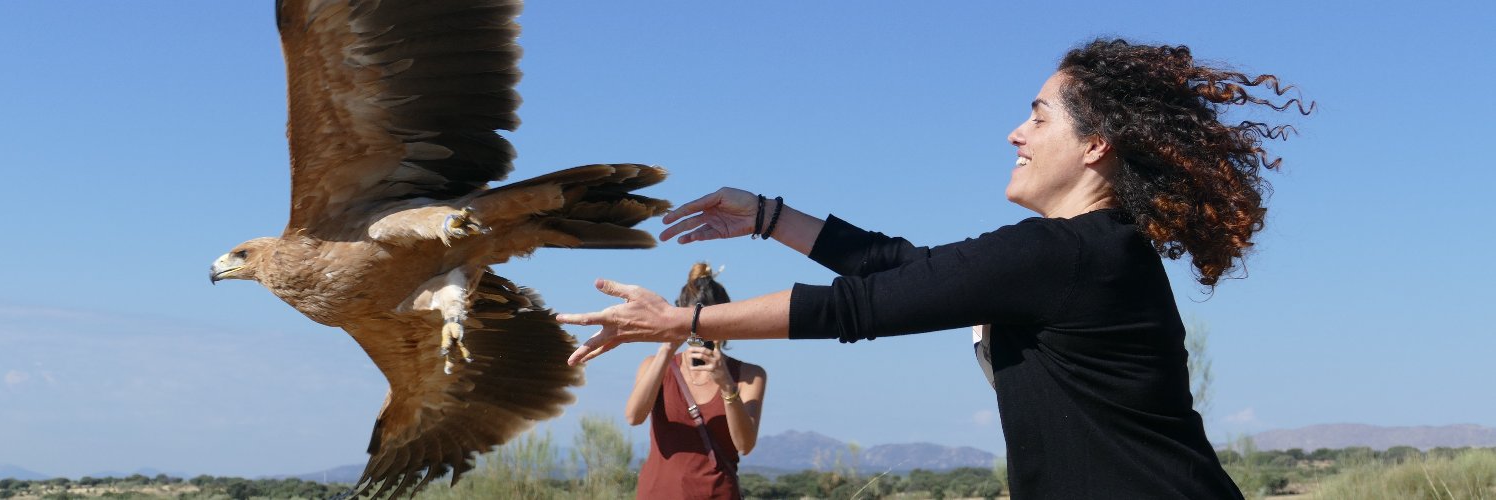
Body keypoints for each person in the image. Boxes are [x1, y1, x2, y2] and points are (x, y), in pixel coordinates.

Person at [558, 39, 1312, 498]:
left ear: (1095, 145)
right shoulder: (1087, 253)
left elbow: (861, 306)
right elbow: (903, 269)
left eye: (1039, 116)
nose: (1015, 133)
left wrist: (680, 320)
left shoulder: (1067, 253)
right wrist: (768, 216)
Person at [625, 262, 766, 499]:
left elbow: (744, 445)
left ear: (727, 321)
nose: (700, 334)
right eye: (694, 325)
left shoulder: (749, 375)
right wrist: (667, 348)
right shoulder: (655, 365)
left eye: (709, 325)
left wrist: (726, 385)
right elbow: (633, 417)